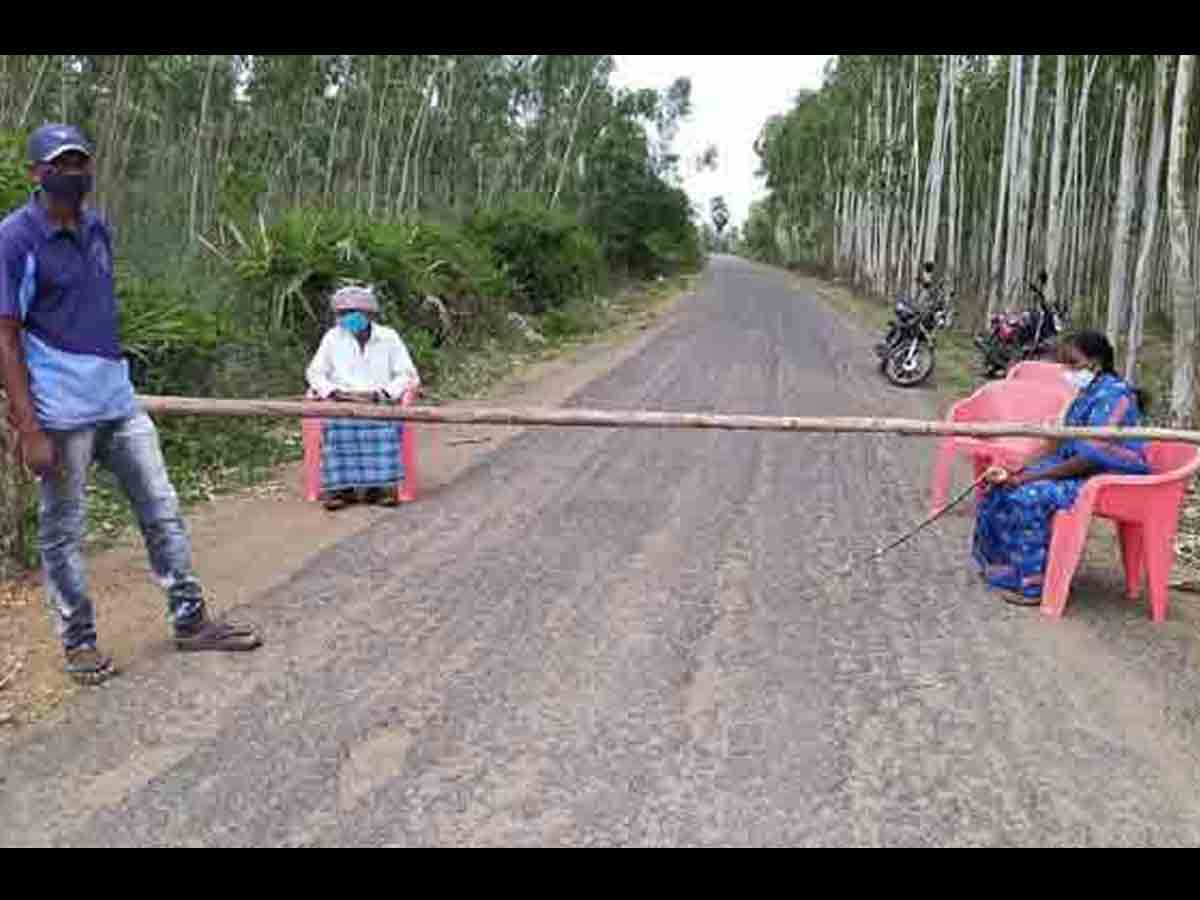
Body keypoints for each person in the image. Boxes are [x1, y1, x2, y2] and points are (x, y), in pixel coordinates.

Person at [0, 124, 262, 685]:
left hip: (117, 400)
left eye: (80, 162)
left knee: (161, 508)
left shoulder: (98, 227)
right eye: (61, 164)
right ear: (36, 173)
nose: (73, 173)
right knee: (63, 531)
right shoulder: (15, 239)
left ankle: (191, 621)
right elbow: (5, 335)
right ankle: (79, 642)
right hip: (60, 413)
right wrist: (29, 428)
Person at [973, 331, 1151, 606]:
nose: (1067, 370)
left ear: (1095, 363)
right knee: (998, 484)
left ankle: (1032, 583)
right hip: (1079, 468)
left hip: (1107, 475)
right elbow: (1059, 443)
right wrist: (1017, 470)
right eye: (1063, 362)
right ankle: (1008, 566)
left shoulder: (1114, 395)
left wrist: (1030, 478)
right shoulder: (1086, 392)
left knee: (1027, 496)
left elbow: (1091, 458)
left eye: (1072, 362)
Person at [305, 285, 421, 511]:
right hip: (342, 401)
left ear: (369, 314)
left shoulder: (389, 337)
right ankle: (341, 490)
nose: (346, 318)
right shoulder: (332, 337)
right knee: (336, 428)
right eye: (342, 313)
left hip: (379, 400)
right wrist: (333, 392)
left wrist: (384, 393)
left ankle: (380, 488)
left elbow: (407, 374)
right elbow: (314, 372)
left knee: (384, 426)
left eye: (352, 313)